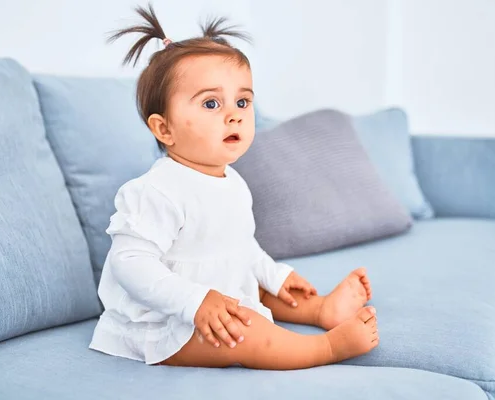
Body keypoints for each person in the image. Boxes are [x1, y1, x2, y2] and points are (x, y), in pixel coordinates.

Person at [89, 4, 379, 370]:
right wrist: (193, 302)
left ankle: (321, 309)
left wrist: (275, 275)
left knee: (260, 289)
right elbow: (130, 264)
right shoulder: (156, 190)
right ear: (165, 129)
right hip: (166, 322)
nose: (234, 114)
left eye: (242, 101)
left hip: (216, 294)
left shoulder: (234, 182)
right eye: (211, 103)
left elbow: (240, 247)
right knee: (244, 328)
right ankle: (326, 348)